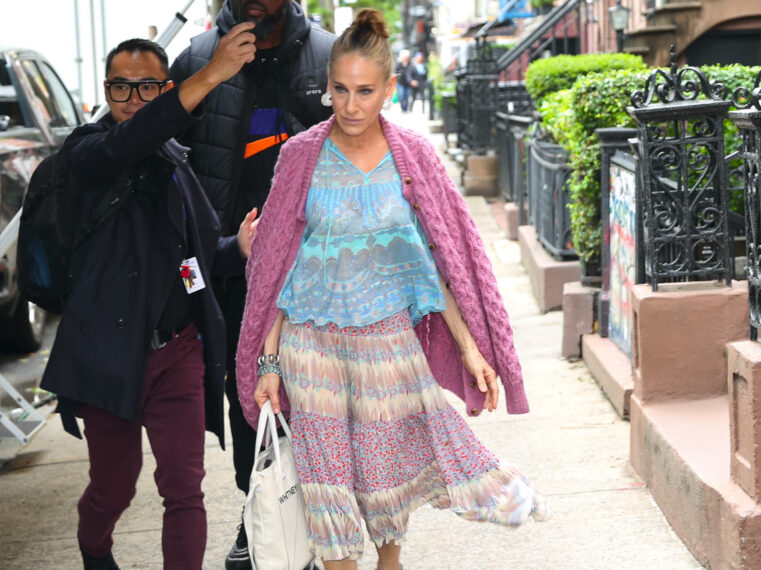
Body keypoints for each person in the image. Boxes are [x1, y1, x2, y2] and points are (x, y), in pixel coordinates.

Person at [236, 10, 549, 569]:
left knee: (383, 494)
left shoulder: (414, 157)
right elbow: (277, 269)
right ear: (326, 86)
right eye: (339, 90)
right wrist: (268, 362)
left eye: (364, 91)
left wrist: (472, 349)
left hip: (387, 342)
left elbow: (437, 264)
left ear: (389, 88)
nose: (350, 105)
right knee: (327, 494)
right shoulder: (299, 156)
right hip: (311, 347)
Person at [40, 35, 260, 570]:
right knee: (113, 488)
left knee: (184, 489)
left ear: (162, 87)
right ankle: (95, 549)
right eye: (120, 86)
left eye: (146, 87)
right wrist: (209, 75)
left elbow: (194, 260)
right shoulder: (86, 154)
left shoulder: (174, 161)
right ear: (106, 90)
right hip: (106, 356)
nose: (132, 98)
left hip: (176, 353)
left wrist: (239, 249)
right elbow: (127, 142)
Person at [168, 2, 334, 567]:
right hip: (237, 269)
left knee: (320, 400)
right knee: (251, 405)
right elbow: (166, 162)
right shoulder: (195, 59)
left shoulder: (328, 55)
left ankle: (319, 523)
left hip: (321, 270)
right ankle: (262, 514)